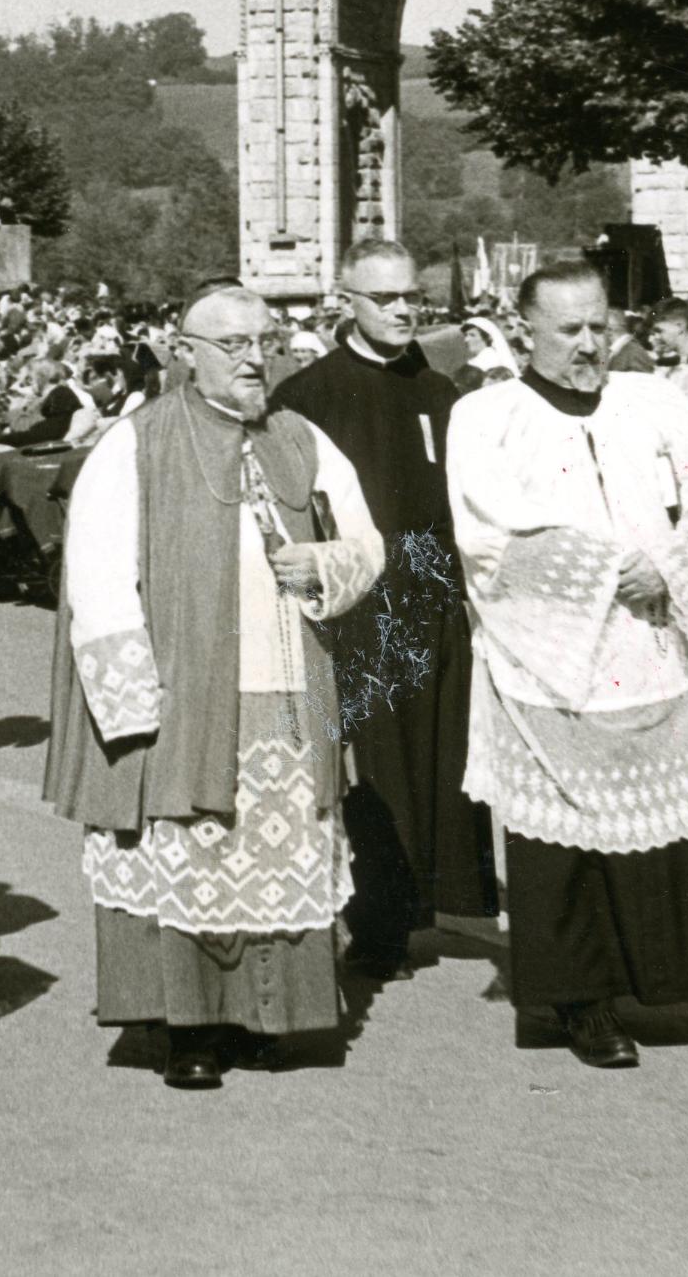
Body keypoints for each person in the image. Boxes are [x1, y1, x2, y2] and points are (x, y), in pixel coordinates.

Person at [46, 284, 385, 1089]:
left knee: (278, 846)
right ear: (182, 350)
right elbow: (94, 576)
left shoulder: (301, 437)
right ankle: (189, 1027)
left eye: (262, 342)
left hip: (287, 686)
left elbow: (367, 540)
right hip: (183, 694)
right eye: (229, 343)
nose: (250, 358)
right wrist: (136, 708)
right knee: (188, 851)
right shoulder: (135, 443)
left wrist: (327, 565)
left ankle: (270, 1018)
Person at [446, 263, 688, 1068]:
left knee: (651, 828)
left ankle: (658, 977)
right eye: (568, 329)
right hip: (546, 654)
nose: (588, 344)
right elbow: (484, 535)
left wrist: (672, 565)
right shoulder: (487, 416)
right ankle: (579, 1003)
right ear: (524, 331)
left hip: (647, 645)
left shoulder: (653, 400)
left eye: (598, 326)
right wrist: (607, 571)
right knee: (564, 841)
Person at [269, 239, 496, 978]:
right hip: (363, 594)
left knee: (441, 750)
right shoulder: (308, 394)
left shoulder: (439, 390)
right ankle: (376, 922)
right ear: (347, 303)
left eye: (409, 296)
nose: (402, 309)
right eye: (384, 298)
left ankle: (434, 901)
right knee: (380, 762)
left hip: (436, 587)